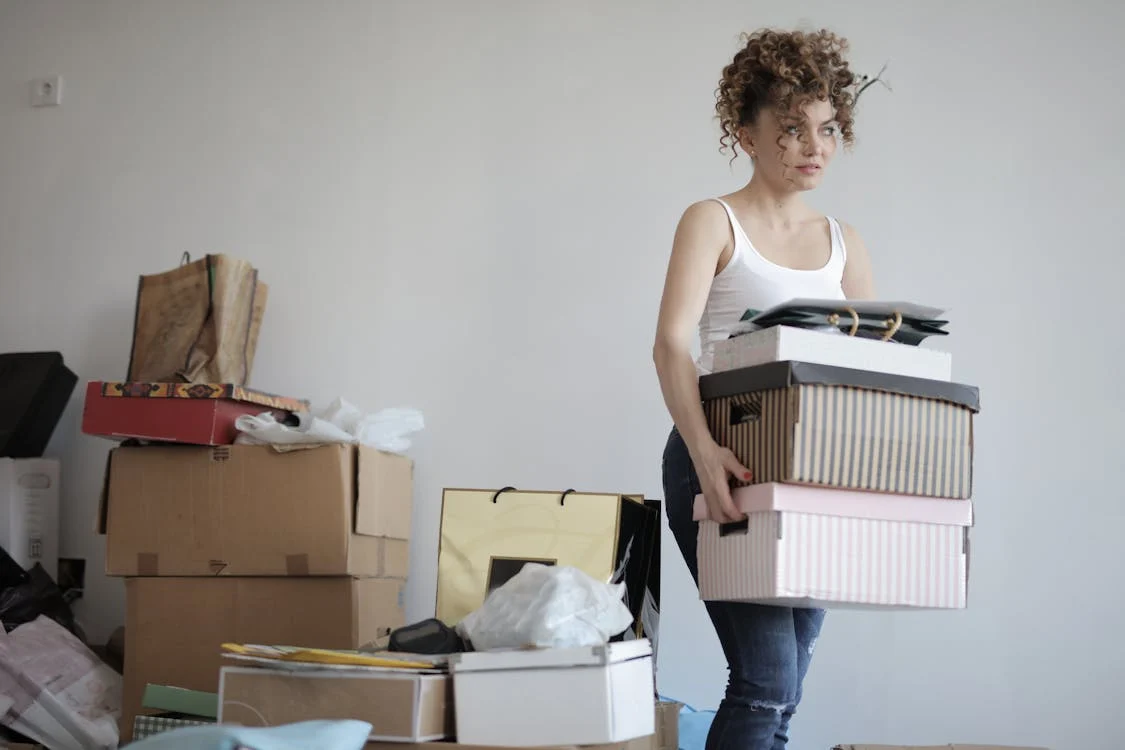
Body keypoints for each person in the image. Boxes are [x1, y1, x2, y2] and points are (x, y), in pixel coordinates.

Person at [652, 27, 877, 750]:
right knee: (766, 680)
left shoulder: (845, 242)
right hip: (721, 457)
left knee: (785, 685)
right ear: (744, 135)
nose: (813, 146)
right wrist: (704, 452)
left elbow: (865, 372)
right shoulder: (712, 221)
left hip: (809, 471)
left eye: (825, 128)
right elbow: (669, 346)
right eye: (789, 129)